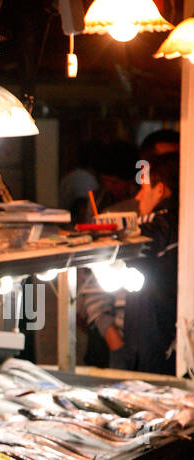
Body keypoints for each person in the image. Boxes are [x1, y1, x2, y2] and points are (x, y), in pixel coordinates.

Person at [83, 153, 179, 374]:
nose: (138, 197)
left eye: (144, 189)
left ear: (160, 190)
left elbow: (100, 271)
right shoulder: (182, 226)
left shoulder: (151, 226)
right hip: (163, 345)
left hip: (150, 347)